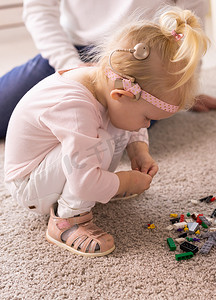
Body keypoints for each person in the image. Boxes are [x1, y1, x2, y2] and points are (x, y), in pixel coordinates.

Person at [4, 6, 208, 256]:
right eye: (147, 117)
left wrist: (139, 150)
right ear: (121, 94)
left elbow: (128, 123)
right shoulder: (76, 109)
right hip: (28, 184)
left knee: (120, 127)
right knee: (100, 144)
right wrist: (123, 182)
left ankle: (92, 189)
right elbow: (83, 178)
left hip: (52, 168)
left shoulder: (104, 83)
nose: (147, 125)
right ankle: (67, 221)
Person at [0, 0, 215, 139]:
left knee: (116, 131)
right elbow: (39, 8)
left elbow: (190, 20)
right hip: (70, 49)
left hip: (147, 66)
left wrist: (183, 86)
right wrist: (70, 65)